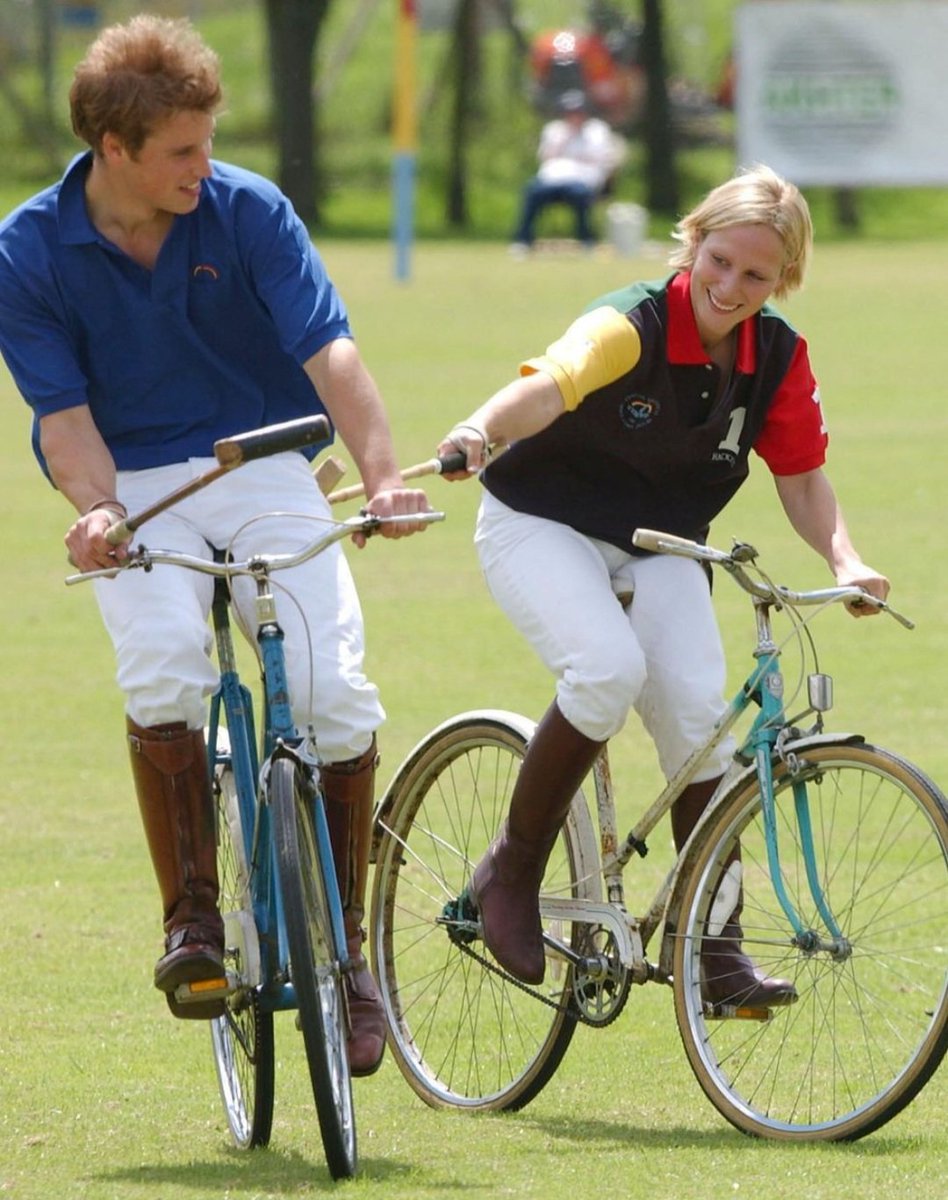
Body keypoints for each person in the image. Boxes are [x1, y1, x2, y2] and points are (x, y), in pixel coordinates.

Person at [0, 15, 430, 1075]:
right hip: (135, 481)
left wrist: (379, 476)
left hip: (266, 458)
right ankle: (192, 921)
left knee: (333, 692)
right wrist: (97, 510)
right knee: (164, 669)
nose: (205, 166)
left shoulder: (247, 209)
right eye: (181, 152)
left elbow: (331, 353)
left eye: (207, 143)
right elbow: (62, 419)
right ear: (115, 151)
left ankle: (350, 961)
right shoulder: (26, 247)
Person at [437, 164, 890, 1004]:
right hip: (542, 521)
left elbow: (801, 478)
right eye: (719, 260)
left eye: (756, 275)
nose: (730, 285)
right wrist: (478, 428)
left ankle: (714, 951)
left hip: (662, 542)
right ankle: (513, 869)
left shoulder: (779, 356)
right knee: (606, 672)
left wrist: (845, 560)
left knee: (701, 721)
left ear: (782, 280)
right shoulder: (631, 322)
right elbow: (554, 383)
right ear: (695, 242)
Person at [511, 89, 626, 255]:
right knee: (531, 191)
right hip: (551, 179)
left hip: (582, 181)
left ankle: (587, 240)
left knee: (580, 196)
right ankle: (523, 240)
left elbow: (600, 158)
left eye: (578, 112)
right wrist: (566, 140)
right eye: (570, 112)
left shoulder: (597, 130)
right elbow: (546, 156)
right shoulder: (554, 130)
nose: (574, 116)